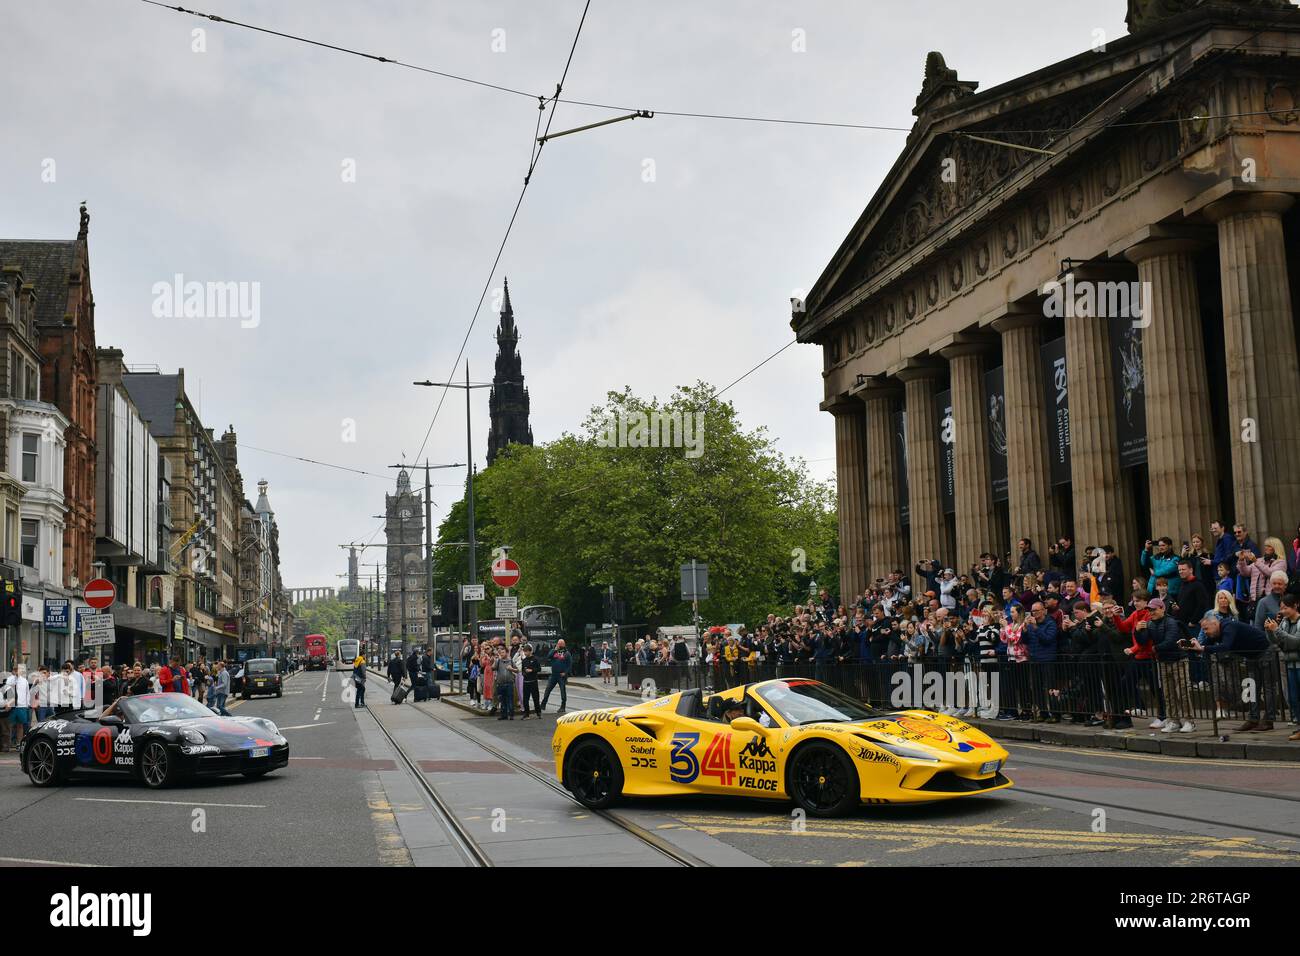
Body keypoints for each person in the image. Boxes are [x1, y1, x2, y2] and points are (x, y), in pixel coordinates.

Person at [1, 665, 31, 752]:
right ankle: (8, 743)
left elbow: (27, 693)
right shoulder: (9, 680)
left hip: (22, 705)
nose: (16, 672)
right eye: (15, 670)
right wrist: (7, 704)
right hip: (12, 706)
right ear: (13, 671)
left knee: (20, 725)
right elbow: (5, 692)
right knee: (10, 725)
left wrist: (27, 704)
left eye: (18, 670)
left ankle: (19, 743)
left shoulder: (24, 680)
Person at [541, 639, 572, 715]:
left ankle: (563, 706)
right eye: (559, 644)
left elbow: (570, 664)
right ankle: (543, 704)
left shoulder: (567, 653)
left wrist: (565, 672)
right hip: (554, 674)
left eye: (561, 644)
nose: (560, 645)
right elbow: (548, 657)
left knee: (562, 690)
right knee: (548, 689)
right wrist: (554, 650)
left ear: (564, 645)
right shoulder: (553, 651)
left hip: (561, 675)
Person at [494, 647, 517, 721]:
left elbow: (517, 670)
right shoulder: (498, 661)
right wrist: (496, 660)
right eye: (501, 653)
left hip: (509, 683)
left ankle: (511, 715)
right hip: (500, 684)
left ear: (507, 653)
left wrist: (512, 669)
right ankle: (504, 715)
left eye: (503, 652)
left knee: (510, 699)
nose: (502, 654)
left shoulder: (511, 661)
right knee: (502, 700)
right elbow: (493, 668)